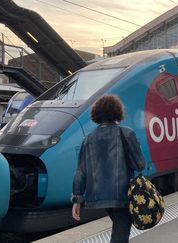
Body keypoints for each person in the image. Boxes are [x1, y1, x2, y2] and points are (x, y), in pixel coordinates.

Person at [71, 95, 145, 243]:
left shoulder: (88, 139)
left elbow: (80, 171)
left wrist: (77, 200)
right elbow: (140, 165)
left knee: (120, 230)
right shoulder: (126, 133)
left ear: (96, 115)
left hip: (99, 197)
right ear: (118, 112)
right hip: (122, 195)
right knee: (120, 235)